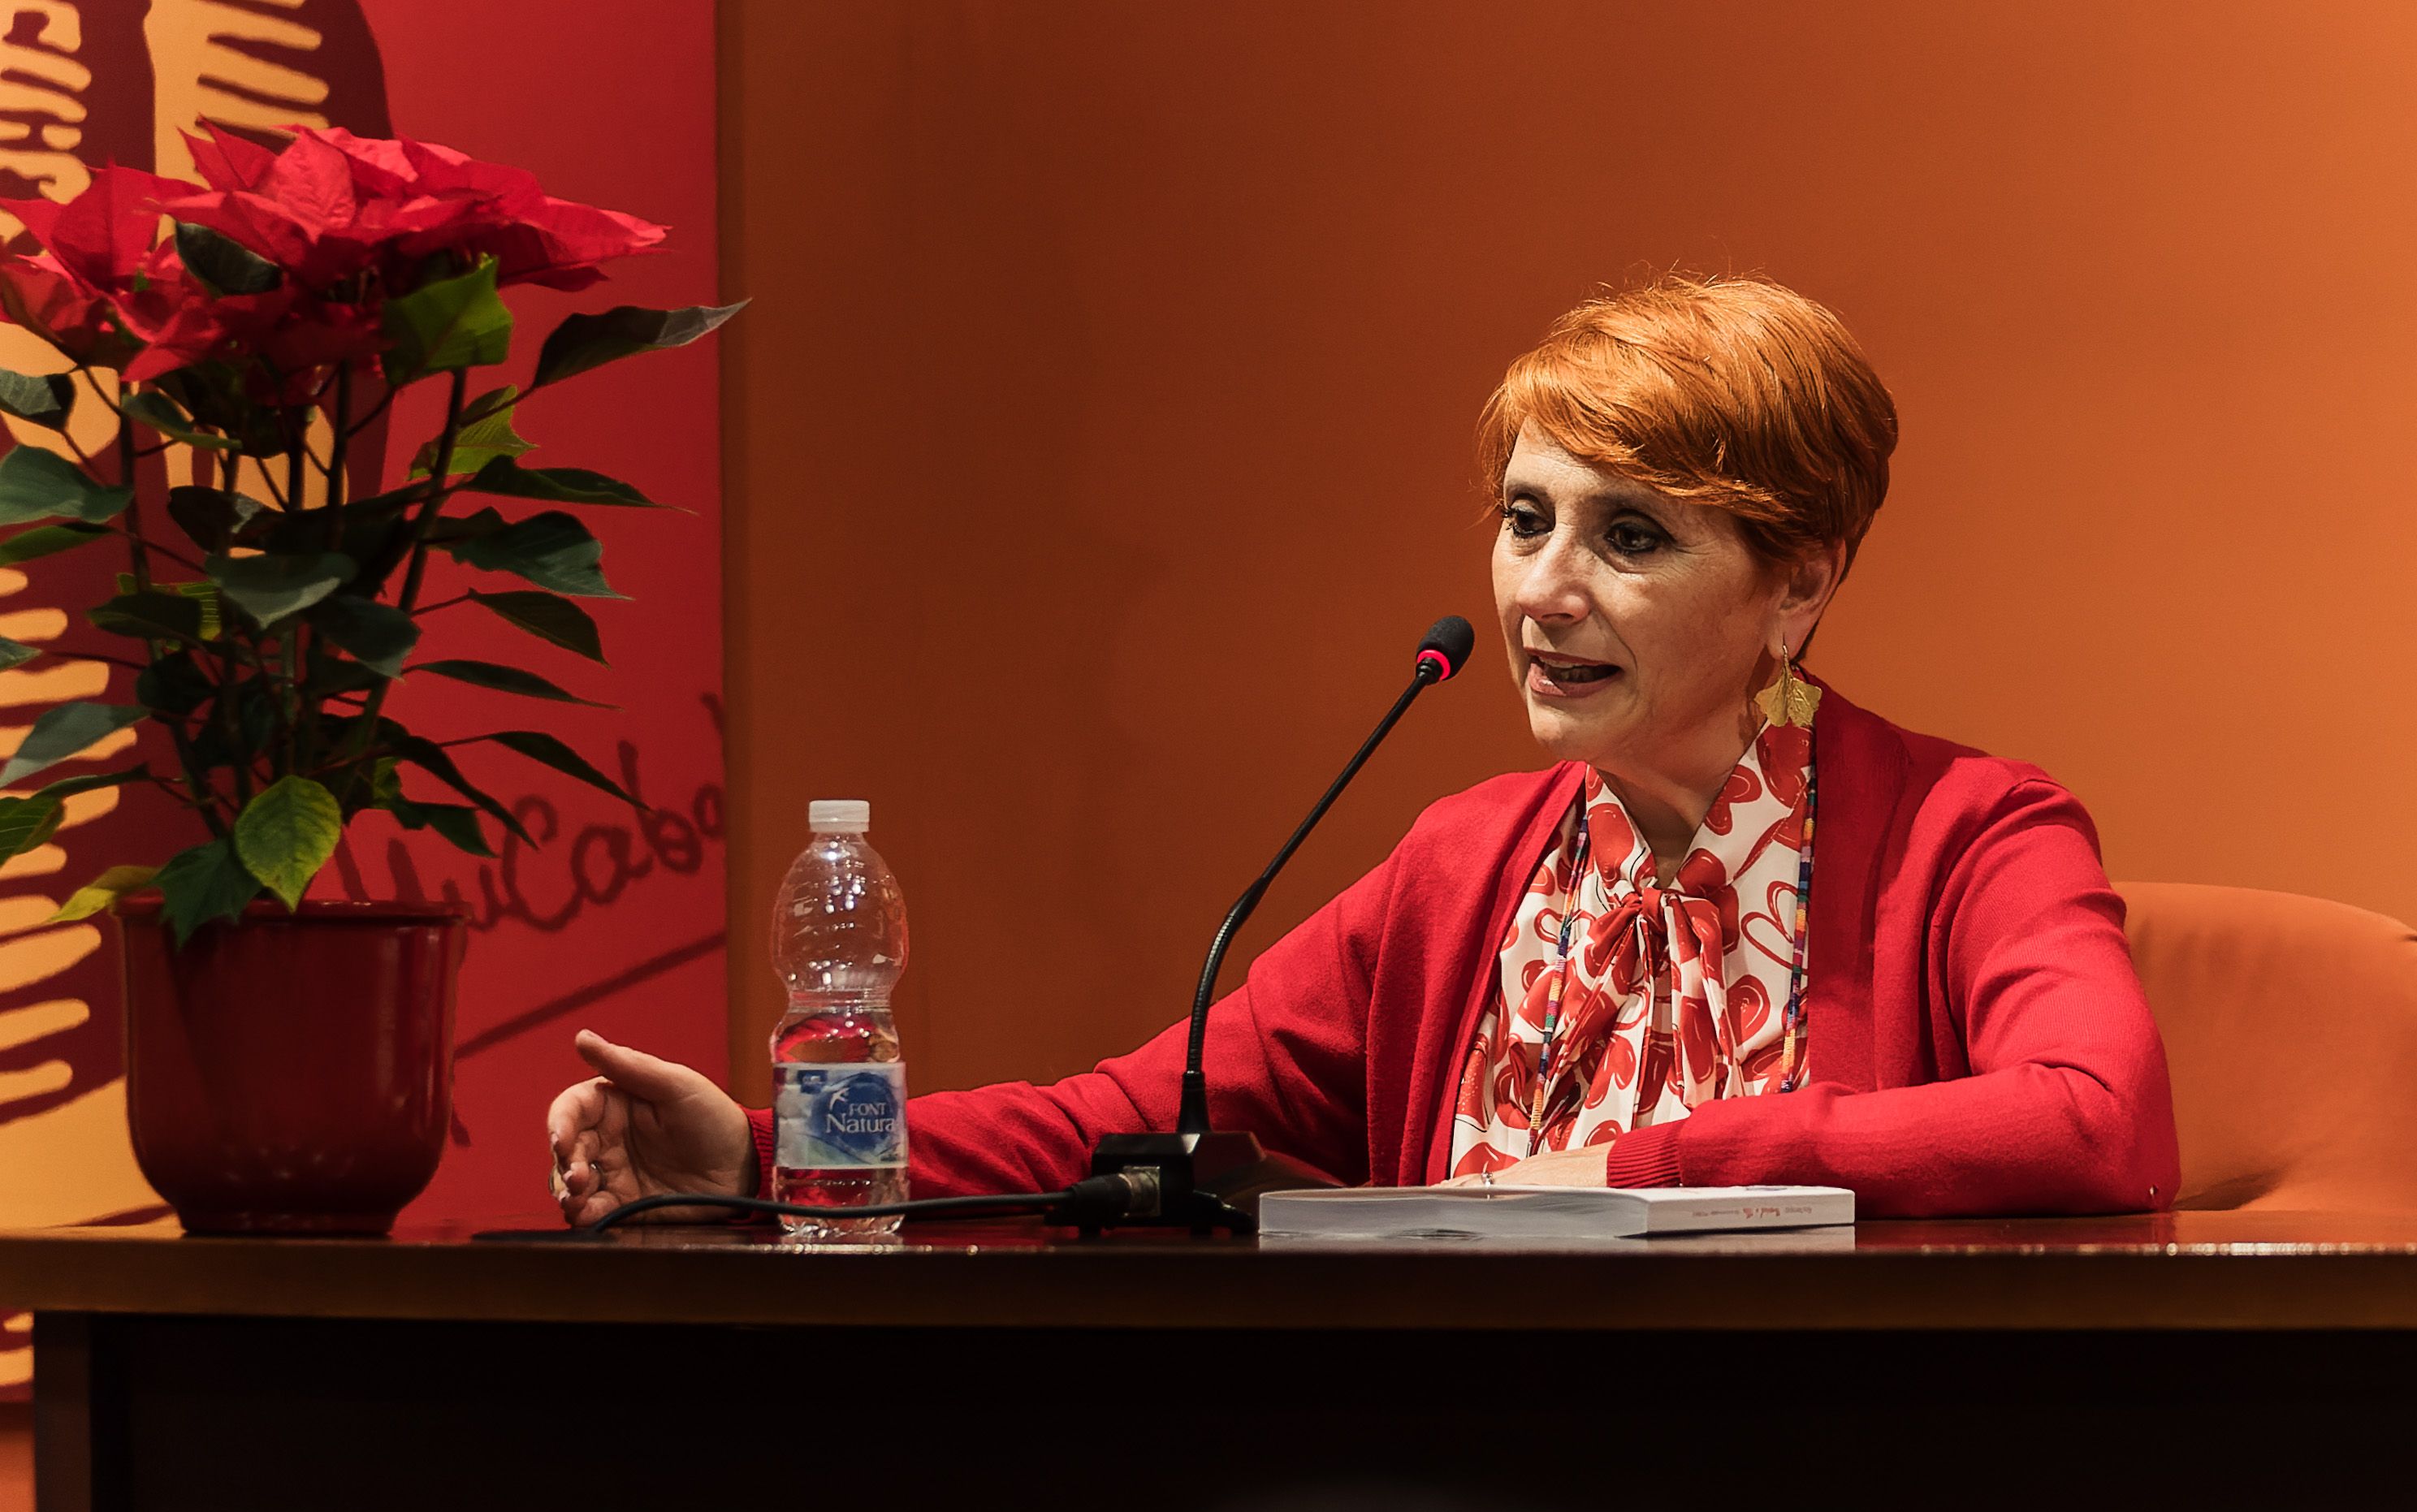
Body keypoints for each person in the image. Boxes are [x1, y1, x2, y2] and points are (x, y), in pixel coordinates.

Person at [547, 272, 2179, 1225]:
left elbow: (2097, 1116)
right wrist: (762, 1154)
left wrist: (1631, 1170)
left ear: (1801, 581)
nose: (1544, 587)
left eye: (1631, 535)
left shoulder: (1974, 831)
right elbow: (1119, 1125)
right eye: (1526, 518)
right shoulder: (1464, 865)